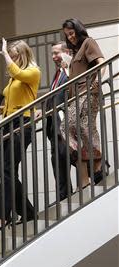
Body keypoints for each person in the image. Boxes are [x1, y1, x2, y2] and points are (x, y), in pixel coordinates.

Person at [0, 38, 41, 228]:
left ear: (23, 55)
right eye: (11, 56)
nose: (12, 60)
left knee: (7, 169)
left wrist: (5, 54)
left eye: (15, 56)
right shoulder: (14, 80)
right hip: (8, 122)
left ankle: (1, 215)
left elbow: (16, 72)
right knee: (5, 171)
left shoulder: (33, 72)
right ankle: (28, 212)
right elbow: (13, 103)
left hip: (22, 123)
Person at [60, 18, 106, 189]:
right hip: (76, 97)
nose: (70, 37)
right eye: (67, 35)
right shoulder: (75, 51)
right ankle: (93, 171)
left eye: (71, 33)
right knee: (78, 130)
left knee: (76, 127)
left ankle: (98, 164)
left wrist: (97, 82)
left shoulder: (88, 42)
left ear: (78, 30)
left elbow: (102, 62)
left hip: (88, 93)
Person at [44, 41, 73, 200]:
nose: (54, 57)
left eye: (57, 53)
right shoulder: (57, 74)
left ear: (67, 52)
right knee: (58, 161)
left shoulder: (69, 70)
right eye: (53, 54)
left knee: (71, 155)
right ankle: (63, 194)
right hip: (53, 125)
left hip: (65, 122)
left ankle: (98, 171)